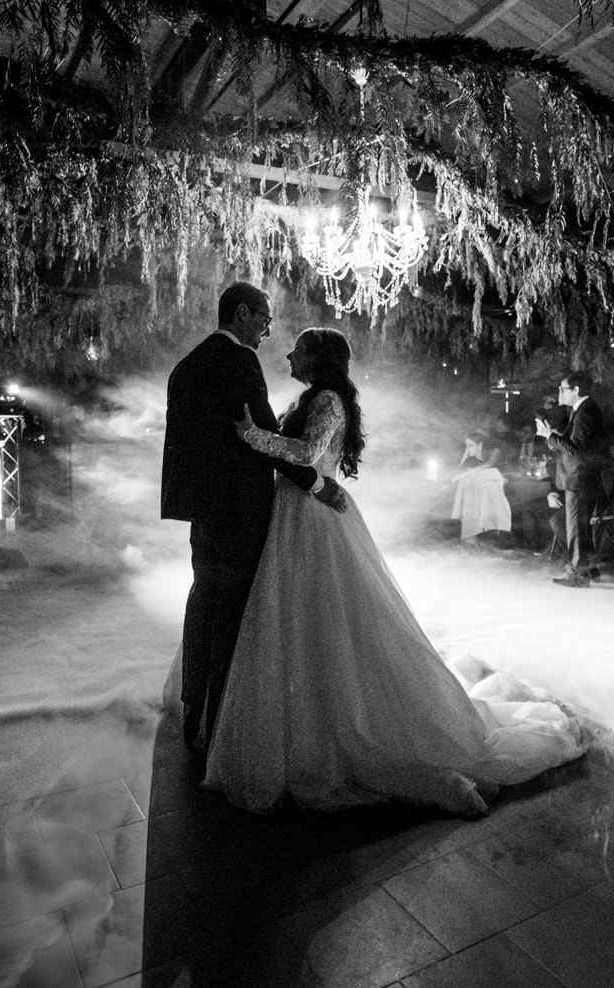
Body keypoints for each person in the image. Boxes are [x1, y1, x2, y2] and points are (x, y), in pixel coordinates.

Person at [206, 327, 584, 815]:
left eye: (297, 351)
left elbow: (307, 456)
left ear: (317, 359)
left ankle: (350, 726)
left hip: (313, 517)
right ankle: (314, 717)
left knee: (335, 620)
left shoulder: (328, 401)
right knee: (308, 621)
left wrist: (254, 437)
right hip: (298, 511)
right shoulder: (317, 396)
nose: (288, 356)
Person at [161, 283, 346, 755]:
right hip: (241, 513)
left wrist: (191, 501)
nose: (268, 329)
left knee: (202, 599)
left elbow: (182, 448)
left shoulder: (185, 366)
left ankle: (191, 705)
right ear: (242, 313)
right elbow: (260, 434)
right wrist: (315, 485)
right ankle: (222, 720)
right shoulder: (239, 361)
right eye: (264, 318)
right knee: (235, 615)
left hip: (203, 514)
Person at [538, 373, 612, 587]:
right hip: (581, 477)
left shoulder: (585, 412)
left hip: (580, 478)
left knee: (577, 528)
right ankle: (587, 570)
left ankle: (579, 575)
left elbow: (576, 449)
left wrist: (549, 436)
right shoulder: (583, 410)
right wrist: (553, 435)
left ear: (576, 389)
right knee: (579, 527)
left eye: (562, 389)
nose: (560, 393)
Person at [448, 431, 510, 540]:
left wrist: (464, 475)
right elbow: (460, 471)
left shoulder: (494, 451)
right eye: (466, 446)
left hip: (500, 487)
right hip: (480, 492)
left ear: (480, 445)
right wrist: (465, 454)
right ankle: (471, 532)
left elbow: (489, 464)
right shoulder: (471, 459)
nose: (468, 448)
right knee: (465, 484)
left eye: (470, 445)